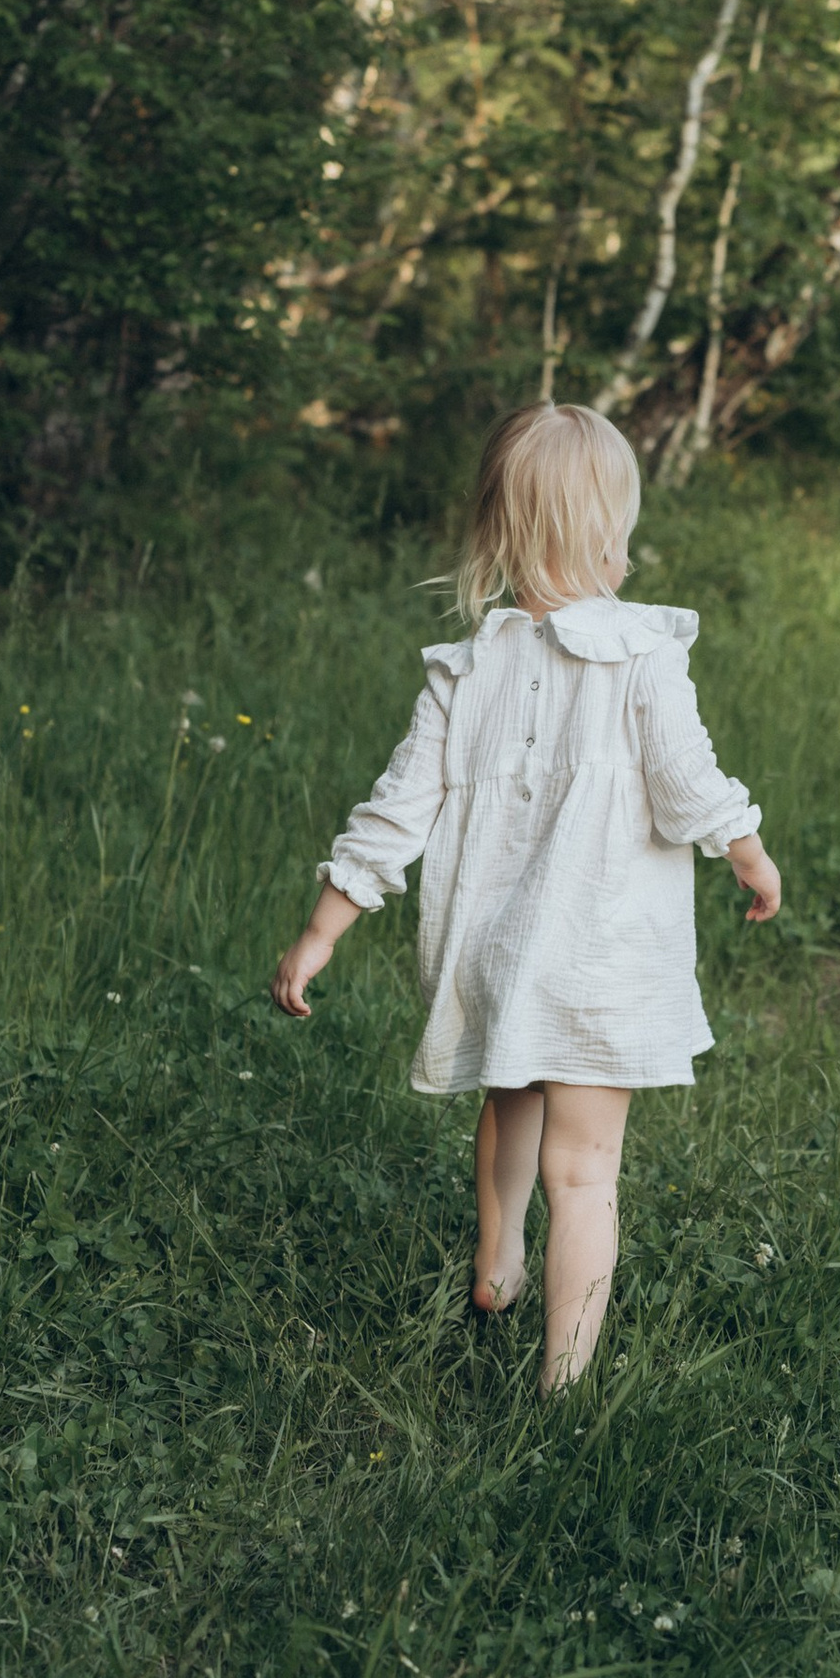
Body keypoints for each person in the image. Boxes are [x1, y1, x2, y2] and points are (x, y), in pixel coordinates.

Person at [271, 401, 780, 1390]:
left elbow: (395, 810)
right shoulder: (644, 653)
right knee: (584, 1173)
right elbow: (686, 782)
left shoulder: (466, 671)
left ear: (499, 529)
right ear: (607, 533)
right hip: (599, 963)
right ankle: (562, 1385)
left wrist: (322, 927)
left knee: (510, 1107)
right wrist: (748, 854)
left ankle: (496, 1264)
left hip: (497, 954)